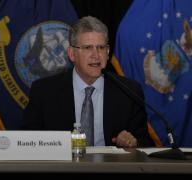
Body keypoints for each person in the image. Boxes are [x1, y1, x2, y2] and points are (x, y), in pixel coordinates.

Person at [23, 16, 153, 148]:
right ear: (72, 54)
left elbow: (145, 143)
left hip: (111, 167)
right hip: (62, 168)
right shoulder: (44, 92)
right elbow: (28, 142)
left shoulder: (128, 91)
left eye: (101, 48)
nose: (96, 55)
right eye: (87, 48)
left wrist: (132, 142)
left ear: (107, 53)